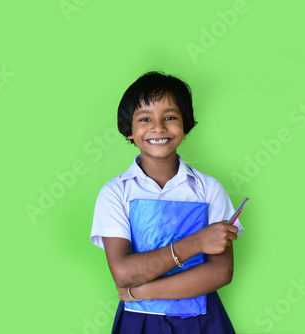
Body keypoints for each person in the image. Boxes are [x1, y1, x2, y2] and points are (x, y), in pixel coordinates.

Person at [90, 71, 244, 333]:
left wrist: (142, 291)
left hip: (202, 321)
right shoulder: (115, 193)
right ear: (129, 130)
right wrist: (197, 242)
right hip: (140, 323)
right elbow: (124, 273)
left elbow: (220, 272)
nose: (158, 127)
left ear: (185, 125)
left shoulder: (209, 190)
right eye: (145, 118)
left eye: (170, 117)